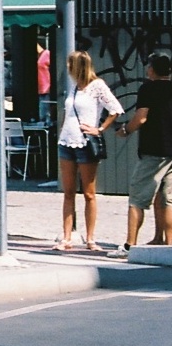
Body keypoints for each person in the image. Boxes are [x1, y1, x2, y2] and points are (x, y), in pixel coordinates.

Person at [57, 50, 122, 251]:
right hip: (66, 141)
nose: (68, 69)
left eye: (70, 65)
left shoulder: (97, 86)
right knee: (68, 192)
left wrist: (100, 128)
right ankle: (67, 236)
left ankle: (91, 237)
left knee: (89, 192)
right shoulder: (74, 87)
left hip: (85, 142)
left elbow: (116, 109)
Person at [117, 51, 172, 253]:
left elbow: (141, 117)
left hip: (154, 149)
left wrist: (125, 130)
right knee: (166, 198)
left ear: (151, 69)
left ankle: (129, 245)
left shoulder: (148, 89)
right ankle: (166, 243)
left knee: (137, 198)